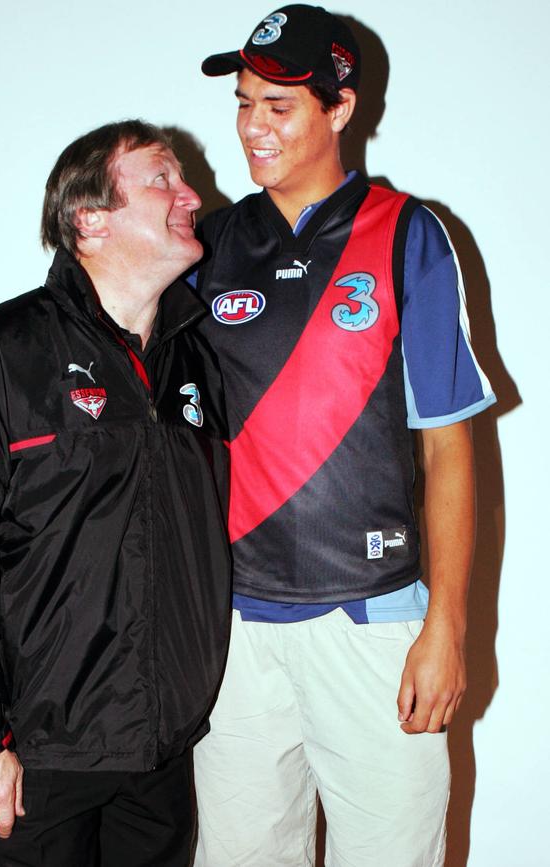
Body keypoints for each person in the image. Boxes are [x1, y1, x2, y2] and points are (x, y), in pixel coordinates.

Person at [187, 5, 496, 866]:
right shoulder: (207, 242)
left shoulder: (407, 234)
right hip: (235, 633)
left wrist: (447, 626)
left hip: (372, 623)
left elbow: (448, 448)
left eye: (278, 107)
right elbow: (101, 345)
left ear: (340, 108)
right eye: (244, 102)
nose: (253, 126)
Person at [0, 119, 231, 867]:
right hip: (37, 758)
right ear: (90, 218)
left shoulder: (196, 362)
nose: (190, 195)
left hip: (161, 756)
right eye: (162, 179)